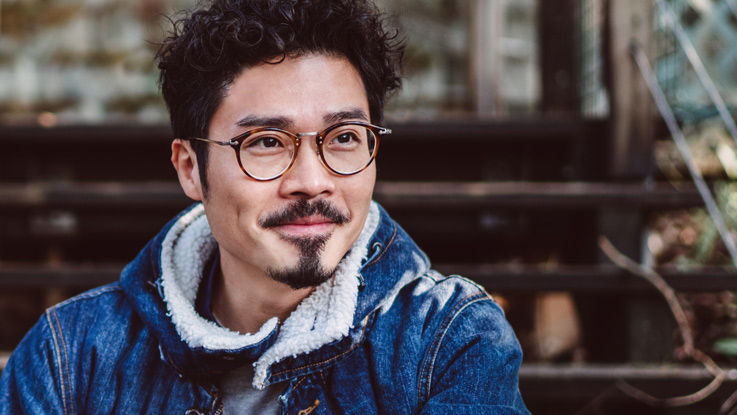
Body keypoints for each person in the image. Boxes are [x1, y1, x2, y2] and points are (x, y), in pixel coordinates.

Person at [0, 0, 529, 413]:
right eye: (267, 143)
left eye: (344, 137)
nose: (312, 182)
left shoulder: (450, 341)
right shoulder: (68, 358)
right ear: (190, 169)